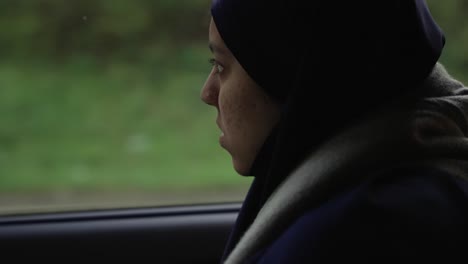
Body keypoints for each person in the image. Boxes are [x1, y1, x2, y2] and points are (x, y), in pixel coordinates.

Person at [200, 0, 468, 263]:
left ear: (286, 70)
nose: (207, 93)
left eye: (221, 66)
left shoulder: (355, 233)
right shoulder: (414, 171)